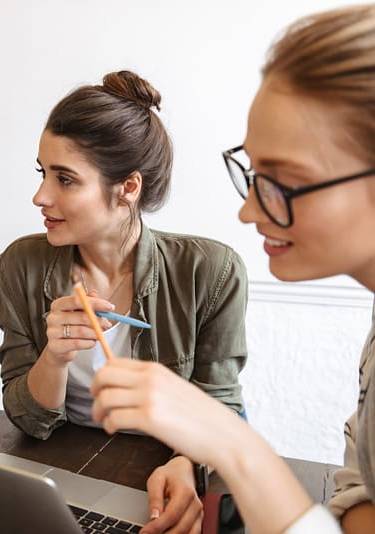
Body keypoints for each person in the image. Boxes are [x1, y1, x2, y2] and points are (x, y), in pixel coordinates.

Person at [90, 5, 375, 534]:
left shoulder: (209, 270)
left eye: (282, 181)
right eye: (250, 171)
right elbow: (363, 491)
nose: (248, 211)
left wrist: (228, 440)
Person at [0, 70, 248, 533]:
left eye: (65, 179)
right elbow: (27, 420)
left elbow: (222, 408)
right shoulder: (21, 265)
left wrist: (187, 463)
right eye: (42, 173)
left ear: (128, 188)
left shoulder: (211, 271)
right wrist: (56, 355)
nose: (40, 196)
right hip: (60, 468)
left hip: (164, 470)